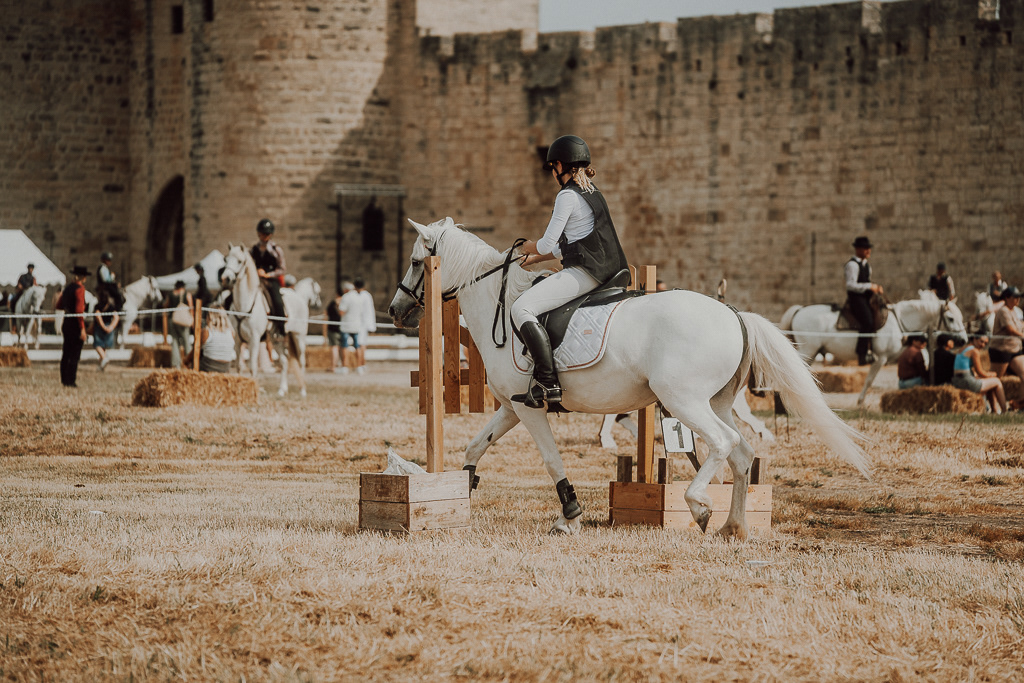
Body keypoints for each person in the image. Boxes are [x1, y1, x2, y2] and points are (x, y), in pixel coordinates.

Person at [511, 134, 628, 408]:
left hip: (587, 273)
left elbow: (546, 243)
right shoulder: (592, 192)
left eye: (553, 167)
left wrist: (527, 246)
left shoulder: (566, 195)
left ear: (560, 165)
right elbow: (571, 245)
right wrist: (536, 259)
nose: (553, 173)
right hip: (607, 269)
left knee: (521, 308)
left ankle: (546, 381)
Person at [844, 236, 884, 366]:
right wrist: (869, 286)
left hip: (866, 298)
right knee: (867, 321)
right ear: (858, 249)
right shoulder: (852, 265)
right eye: (865, 248)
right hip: (856, 299)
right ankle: (862, 354)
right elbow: (850, 285)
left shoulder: (867, 266)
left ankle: (873, 349)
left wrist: (875, 289)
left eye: (868, 248)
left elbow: (867, 282)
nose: (868, 251)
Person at [952, 335, 1007, 413]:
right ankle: (1004, 411)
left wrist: (987, 376)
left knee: (990, 383)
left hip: (957, 381)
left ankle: (994, 410)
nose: (983, 345)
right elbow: (980, 372)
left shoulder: (963, 349)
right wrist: (991, 374)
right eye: (981, 341)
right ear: (974, 338)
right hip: (966, 382)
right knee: (997, 381)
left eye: (985, 343)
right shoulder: (974, 351)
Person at [250, 218, 287, 335]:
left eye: (266, 234)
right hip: (256, 280)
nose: (264, 236)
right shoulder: (253, 249)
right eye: (262, 234)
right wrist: (256, 271)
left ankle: (281, 328)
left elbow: (282, 269)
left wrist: (268, 274)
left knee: (277, 301)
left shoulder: (276, 250)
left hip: (271, 281)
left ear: (270, 235)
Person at [56, 265, 90, 387]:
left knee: (66, 352)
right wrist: (82, 329)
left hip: (66, 322)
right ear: (83, 277)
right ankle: (71, 380)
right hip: (75, 325)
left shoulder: (67, 288)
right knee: (74, 354)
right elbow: (79, 311)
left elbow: (59, 305)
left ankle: (64, 379)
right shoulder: (80, 289)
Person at [988, 286, 1024, 381]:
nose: (1018, 299)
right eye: (1015, 297)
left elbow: (1020, 325)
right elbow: (1010, 330)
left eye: (1018, 297)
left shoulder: (1014, 311)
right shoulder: (1003, 311)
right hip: (1002, 350)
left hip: (1015, 349)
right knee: (996, 379)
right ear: (1007, 298)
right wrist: (1022, 336)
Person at [198, 306, 236, 373]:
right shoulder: (231, 332)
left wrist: (185, 360)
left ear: (210, 316)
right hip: (225, 368)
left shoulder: (207, 331)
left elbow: (195, 349)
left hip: (209, 367)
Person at [165, 280, 193, 368]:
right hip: (183, 321)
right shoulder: (186, 294)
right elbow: (191, 307)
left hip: (173, 320)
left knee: (174, 342)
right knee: (186, 341)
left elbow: (165, 305)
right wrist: (192, 320)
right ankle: (189, 362)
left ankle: (176, 364)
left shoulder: (171, 294)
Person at [91, 291, 120, 371]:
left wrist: (103, 327)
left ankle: (104, 358)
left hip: (99, 327)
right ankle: (101, 366)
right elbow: (116, 317)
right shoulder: (111, 306)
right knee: (103, 347)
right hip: (108, 327)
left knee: (97, 345)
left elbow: (98, 316)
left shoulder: (97, 306)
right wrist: (111, 327)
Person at [337, 281, 361, 374]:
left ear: (346, 289)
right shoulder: (358, 297)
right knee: (357, 346)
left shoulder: (346, 297)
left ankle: (345, 367)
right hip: (356, 325)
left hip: (346, 325)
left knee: (344, 346)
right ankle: (359, 366)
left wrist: (338, 305)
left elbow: (341, 312)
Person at [354, 277, 376, 375]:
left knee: (359, 344)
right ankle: (362, 364)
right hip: (364, 323)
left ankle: (360, 364)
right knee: (362, 344)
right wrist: (371, 325)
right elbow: (370, 311)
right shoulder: (367, 295)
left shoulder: (358, 296)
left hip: (359, 323)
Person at [325, 287, 344, 373]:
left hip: (333, 328)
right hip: (343, 328)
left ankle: (333, 366)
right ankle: (343, 365)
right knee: (342, 348)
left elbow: (325, 314)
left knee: (334, 347)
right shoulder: (345, 302)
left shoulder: (332, 303)